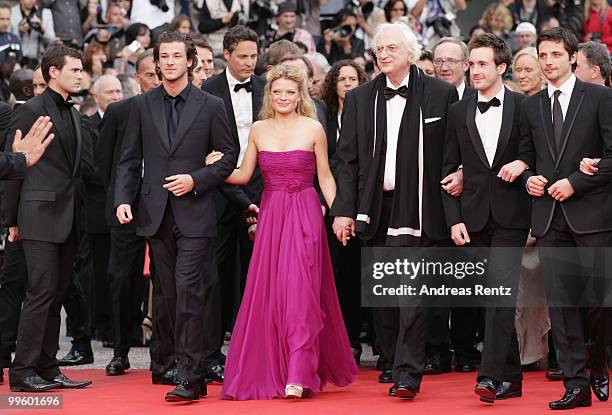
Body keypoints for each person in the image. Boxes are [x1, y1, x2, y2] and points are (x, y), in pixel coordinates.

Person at [208, 64, 358, 400]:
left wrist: (341, 214)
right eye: (277, 92)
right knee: (274, 294)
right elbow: (243, 175)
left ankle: (298, 373)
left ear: (300, 95)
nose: (284, 97)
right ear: (270, 95)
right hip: (272, 214)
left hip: (305, 214)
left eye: (290, 92)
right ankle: (279, 366)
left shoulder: (314, 128)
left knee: (301, 291)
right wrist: (214, 167)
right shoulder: (258, 130)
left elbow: (326, 178)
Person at [331, 22, 458, 399]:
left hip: (420, 206)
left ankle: (407, 372)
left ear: (411, 52)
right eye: (378, 49)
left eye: (391, 48)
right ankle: (390, 359)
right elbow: (347, 160)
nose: (383, 55)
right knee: (384, 293)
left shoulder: (441, 94)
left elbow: (453, 152)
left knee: (412, 293)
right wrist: (344, 210)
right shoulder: (359, 98)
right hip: (375, 207)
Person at [114, 31, 236, 402]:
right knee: (167, 297)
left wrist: (196, 179)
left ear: (190, 61)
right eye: (163, 56)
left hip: (196, 213)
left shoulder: (211, 105)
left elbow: (229, 157)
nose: (168, 62)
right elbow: (129, 159)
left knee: (188, 292)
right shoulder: (142, 105)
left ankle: (189, 375)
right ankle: (184, 371)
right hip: (154, 213)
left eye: (175, 56)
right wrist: (123, 198)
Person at [501, 26, 612, 410]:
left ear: (572, 58)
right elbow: (527, 154)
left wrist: (576, 182)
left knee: (600, 302)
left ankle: (598, 362)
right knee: (562, 305)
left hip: (593, 216)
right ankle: (576, 383)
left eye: (555, 55)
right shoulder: (530, 106)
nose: (547, 62)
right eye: (543, 55)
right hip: (549, 217)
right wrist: (529, 176)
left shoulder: (599, 98)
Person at [443, 33, 531, 404]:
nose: (474, 70)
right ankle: (511, 376)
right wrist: (454, 219)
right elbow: (447, 170)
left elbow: (536, 152)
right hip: (474, 216)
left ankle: (490, 377)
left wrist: (523, 162)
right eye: (471, 63)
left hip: (512, 216)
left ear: (501, 67)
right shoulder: (458, 111)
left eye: (482, 64)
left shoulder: (524, 106)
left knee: (499, 296)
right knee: (490, 299)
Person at [4, 44, 94, 392]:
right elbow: (13, 165)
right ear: (54, 72)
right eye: (75, 69)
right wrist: (11, 219)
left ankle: (46, 366)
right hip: (38, 214)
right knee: (40, 291)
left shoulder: (72, 112)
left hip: (69, 216)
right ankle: (22, 371)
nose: (80, 74)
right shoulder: (30, 110)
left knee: (56, 292)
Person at [202, 25, 264, 382]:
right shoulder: (207, 91)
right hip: (218, 197)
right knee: (217, 278)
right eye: (243, 56)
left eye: (254, 56)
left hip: (261, 193)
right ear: (226, 54)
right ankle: (213, 354)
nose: (249, 63)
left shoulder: (265, 89)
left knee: (259, 277)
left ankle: (257, 350)